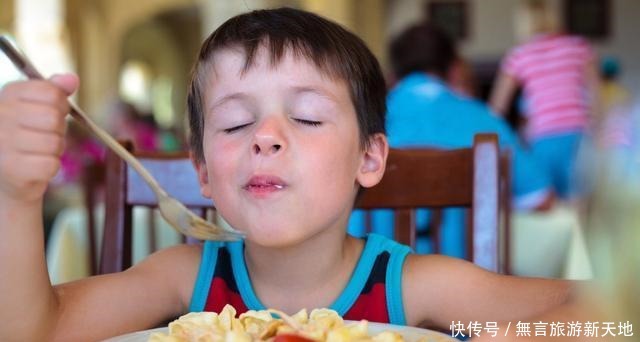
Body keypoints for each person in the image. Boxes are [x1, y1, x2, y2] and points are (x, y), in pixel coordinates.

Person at [0, 8, 579, 341]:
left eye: (305, 116)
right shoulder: (184, 278)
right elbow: (34, 331)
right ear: (203, 172)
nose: (265, 136)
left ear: (369, 158)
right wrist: (15, 197)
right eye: (233, 125)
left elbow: (599, 318)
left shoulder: (410, 286)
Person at [353, 21, 553, 257]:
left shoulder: (359, 121)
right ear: (454, 69)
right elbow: (541, 199)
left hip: (372, 286)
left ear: (392, 74)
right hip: (466, 285)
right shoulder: (484, 120)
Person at [489, 0, 599, 200]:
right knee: (583, 206)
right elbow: (596, 95)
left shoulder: (519, 55)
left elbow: (496, 109)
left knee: (550, 206)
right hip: (579, 136)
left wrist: (511, 143)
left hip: (543, 137)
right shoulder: (578, 46)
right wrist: (600, 133)